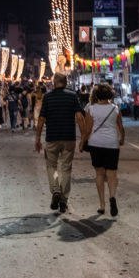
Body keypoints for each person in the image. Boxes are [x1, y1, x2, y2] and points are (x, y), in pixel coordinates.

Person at [35, 73, 85, 215]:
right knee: (66, 169)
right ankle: (63, 200)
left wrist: (37, 138)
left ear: (54, 82)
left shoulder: (48, 97)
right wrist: (83, 137)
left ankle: (56, 191)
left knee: (52, 166)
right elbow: (80, 117)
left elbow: (41, 119)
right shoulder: (73, 96)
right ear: (66, 82)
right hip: (69, 137)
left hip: (52, 138)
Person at [79, 84, 125, 216]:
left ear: (97, 95)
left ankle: (102, 205)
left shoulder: (91, 109)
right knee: (112, 173)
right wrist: (122, 139)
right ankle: (112, 197)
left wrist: (82, 143)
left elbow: (87, 130)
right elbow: (121, 127)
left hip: (96, 143)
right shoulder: (115, 109)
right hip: (112, 143)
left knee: (99, 174)